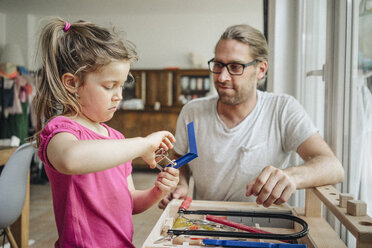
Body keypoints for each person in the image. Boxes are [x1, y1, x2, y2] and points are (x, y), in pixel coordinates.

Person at [159, 24, 344, 209]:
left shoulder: (282, 109)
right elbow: (181, 158)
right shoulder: (192, 111)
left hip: (265, 226)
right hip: (207, 223)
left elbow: (333, 167)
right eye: (218, 65)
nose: (222, 77)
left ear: (261, 70)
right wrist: (181, 183)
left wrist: (291, 176)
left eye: (235, 67)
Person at [32, 18, 179, 248]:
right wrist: (142, 144)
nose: (119, 95)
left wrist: (157, 191)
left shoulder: (116, 139)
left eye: (122, 85)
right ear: (72, 83)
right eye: (109, 86)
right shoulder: (61, 131)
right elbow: (71, 159)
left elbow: (129, 202)